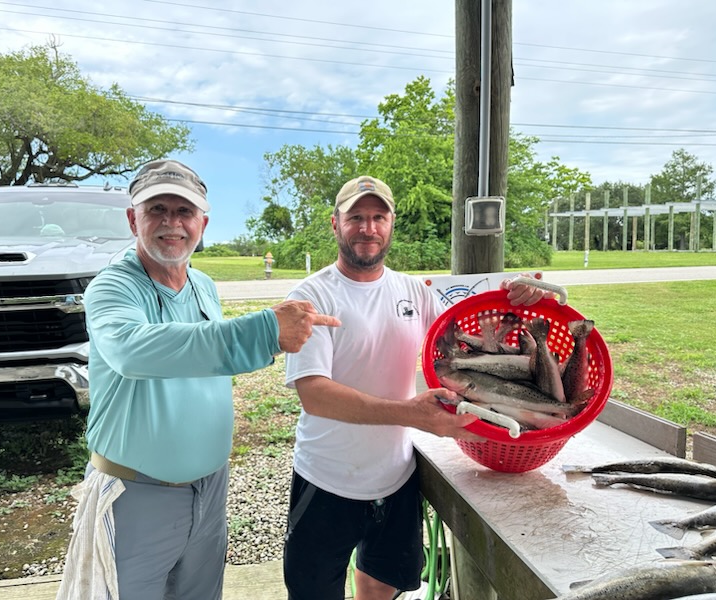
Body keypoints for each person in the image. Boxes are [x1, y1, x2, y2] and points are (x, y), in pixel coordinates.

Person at [56, 158, 340, 600]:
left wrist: (268, 340)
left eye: (184, 212)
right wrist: (264, 330)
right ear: (133, 219)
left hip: (211, 488)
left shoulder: (203, 284)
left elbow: (203, 352)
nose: (173, 224)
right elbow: (132, 350)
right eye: (157, 210)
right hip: (137, 493)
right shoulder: (114, 287)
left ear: (203, 223)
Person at [282, 175, 550, 600]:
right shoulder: (311, 296)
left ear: (392, 224)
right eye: (355, 217)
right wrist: (413, 415)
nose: (367, 228)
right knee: (313, 592)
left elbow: (469, 346)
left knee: (381, 582)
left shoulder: (413, 291)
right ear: (335, 224)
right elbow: (314, 394)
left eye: (378, 217)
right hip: (327, 479)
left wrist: (520, 297)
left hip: (395, 476)